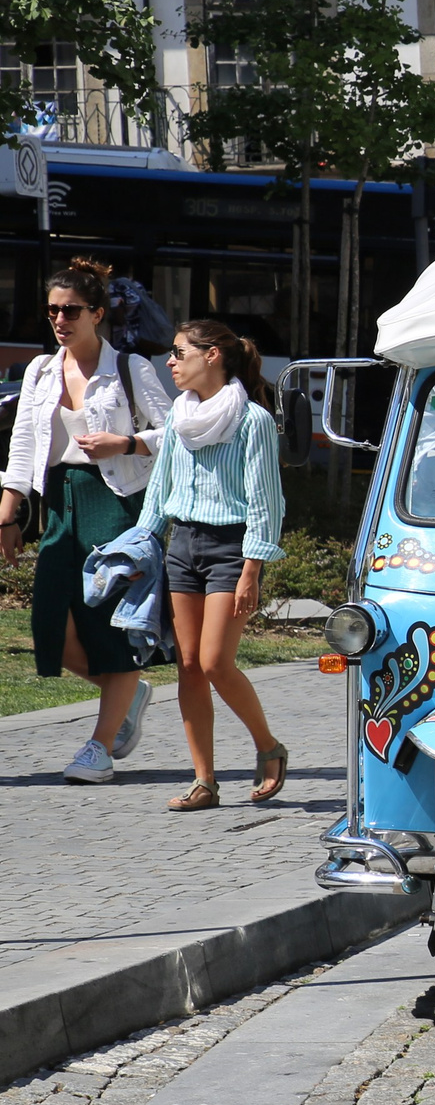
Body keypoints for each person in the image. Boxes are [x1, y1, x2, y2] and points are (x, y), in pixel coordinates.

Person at [0, 259, 176, 783]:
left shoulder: (130, 369)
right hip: (59, 502)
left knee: (108, 627)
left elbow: (177, 432)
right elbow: (24, 441)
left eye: (71, 309)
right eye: (53, 310)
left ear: (97, 313)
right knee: (48, 627)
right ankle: (127, 693)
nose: (60, 319)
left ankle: (99, 749)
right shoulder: (39, 370)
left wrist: (125, 442)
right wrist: (9, 507)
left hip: (116, 502)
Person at [139, 319, 288, 812]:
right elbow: (160, 490)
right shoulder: (181, 418)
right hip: (182, 544)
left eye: (180, 353)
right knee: (186, 666)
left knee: (214, 661)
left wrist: (253, 569)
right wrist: (141, 546)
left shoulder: (253, 421)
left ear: (213, 356)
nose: (171, 362)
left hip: (231, 548)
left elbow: (266, 502)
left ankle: (268, 747)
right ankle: (204, 781)